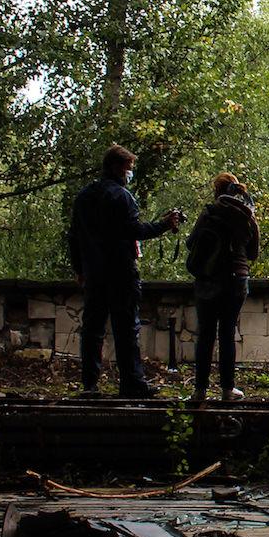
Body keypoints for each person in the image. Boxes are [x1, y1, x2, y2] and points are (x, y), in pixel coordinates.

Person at [67, 145, 181, 398]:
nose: (130, 173)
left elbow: (74, 236)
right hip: (120, 272)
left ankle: (90, 384)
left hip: (94, 273)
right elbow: (135, 231)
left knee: (92, 329)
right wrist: (164, 225)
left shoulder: (85, 196)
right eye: (129, 168)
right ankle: (132, 383)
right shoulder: (122, 197)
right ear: (119, 168)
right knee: (126, 329)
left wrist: (80, 268)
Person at [186, 172, 261, 404]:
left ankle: (200, 391)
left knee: (206, 334)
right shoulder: (247, 215)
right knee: (227, 333)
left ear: (217, 191)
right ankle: (228, 389)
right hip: (236, 278)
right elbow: (253, 253)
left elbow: (191, 243)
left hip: (208, 278)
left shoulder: (209, 213)